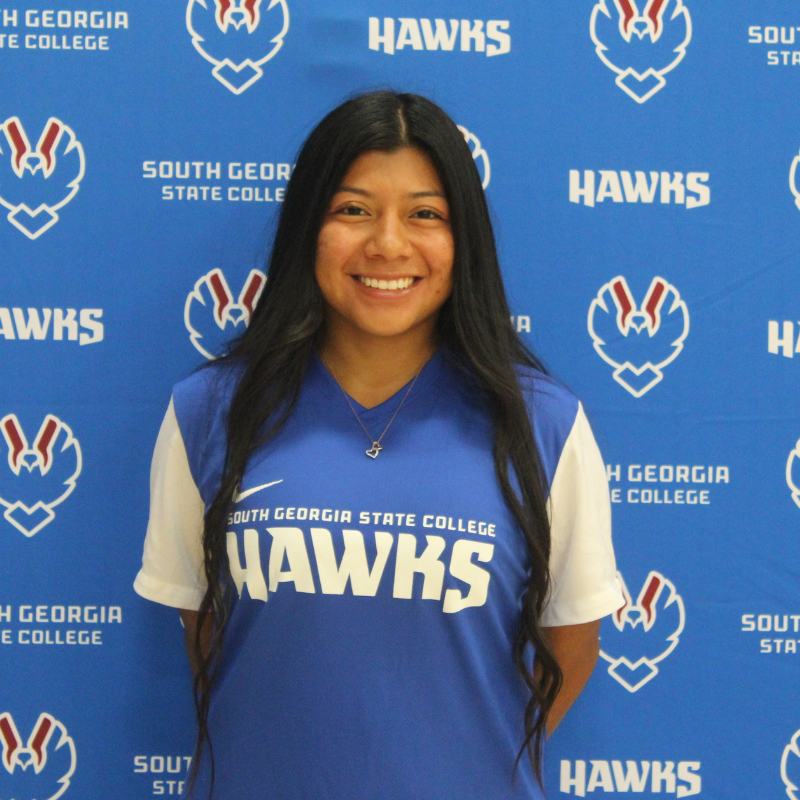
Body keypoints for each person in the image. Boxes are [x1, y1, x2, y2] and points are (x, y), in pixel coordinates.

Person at [134, 90, 624, 800]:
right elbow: (206, 631)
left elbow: (572, 639)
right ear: (308, 228)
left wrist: (465, 762)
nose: (388, 245)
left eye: (425, 214)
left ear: (463, 238)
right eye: (353, 210)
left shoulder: (542, 425)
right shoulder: (209, 412)